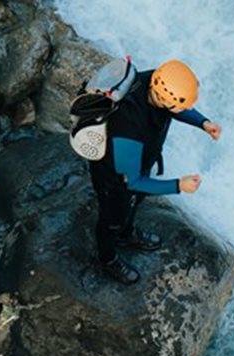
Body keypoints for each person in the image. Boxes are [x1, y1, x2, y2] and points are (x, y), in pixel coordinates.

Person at [88, 59, 222, 284]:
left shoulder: (154, 80)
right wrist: (179, 185)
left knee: (135, 201)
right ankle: (107, 258)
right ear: (162, 98)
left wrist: (203, 123)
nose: (184, 110)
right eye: (180, 106)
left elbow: (176, 106)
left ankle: (126, 233)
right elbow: (132, 182)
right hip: (115, 176)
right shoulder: (128, 124)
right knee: (112, 217)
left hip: (140, 160)